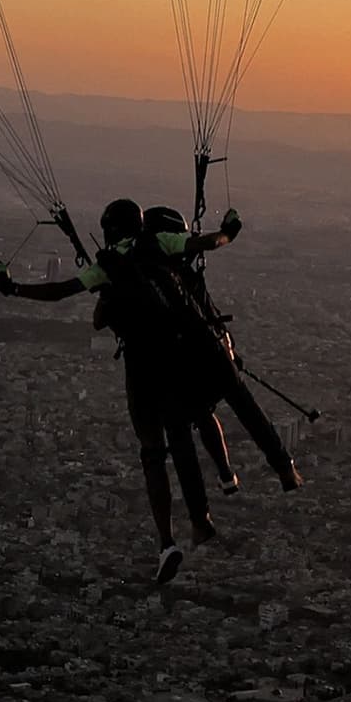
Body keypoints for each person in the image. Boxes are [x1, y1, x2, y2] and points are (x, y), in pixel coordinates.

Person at [0, 197, 291, 581]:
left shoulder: (107, 267)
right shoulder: (161, 244)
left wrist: (12, 288)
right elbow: (207, 243)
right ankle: (235, 476)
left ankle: (167, 540)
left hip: (143, 374)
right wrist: (230, 231)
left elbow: (61, 291)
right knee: (204, 412)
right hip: (187, 359)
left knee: (153, 454)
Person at [138, 203, 300, 494]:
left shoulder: (140, 263)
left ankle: (223, 479)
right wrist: (230, 232)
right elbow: (211, 242)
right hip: (210, 348)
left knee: (198, 416)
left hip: (180, 360)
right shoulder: (171, 250)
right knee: (244, 405)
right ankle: (285, 467)